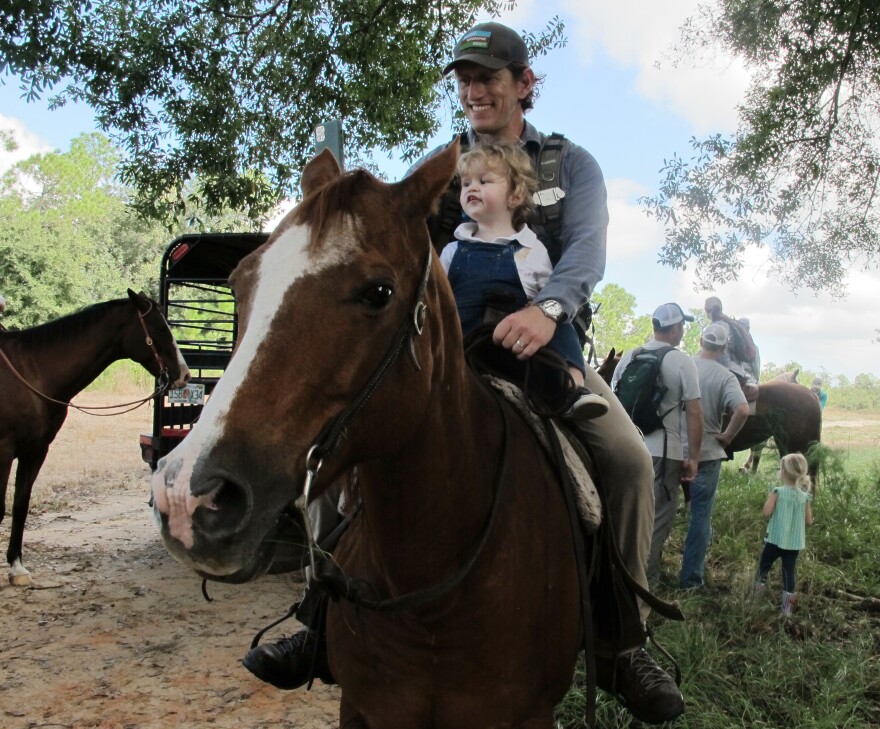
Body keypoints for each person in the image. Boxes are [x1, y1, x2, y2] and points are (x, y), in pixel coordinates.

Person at [245, 22, 685, 724]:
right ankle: (319, 615)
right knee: (335, 455)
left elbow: (586, 255)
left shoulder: (573, 166)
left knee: (629, 462)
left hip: (548, 350)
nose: (475, 90)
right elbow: (390, 245)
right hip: (446, 354)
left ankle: (623, 639)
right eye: (465, 80)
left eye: (489, 77)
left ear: (523, 84)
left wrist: (548, 309)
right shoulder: (440, 168)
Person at [440, 141, 608, 419]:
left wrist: (543, 311)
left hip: (517, 347)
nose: (471, 187)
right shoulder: (452, 250)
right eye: (466, 183)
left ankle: (574, 387)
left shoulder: (529, 250)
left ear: (516, 196)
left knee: (557, 318)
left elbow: (548, 292)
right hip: (460, 348)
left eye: (484, 181)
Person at [613, 303, 703, 589]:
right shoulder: (681, 361)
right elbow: (695, 413)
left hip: (625, 449)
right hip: (665, 454)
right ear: (674, 328)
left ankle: (615, 582)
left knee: (623, 520)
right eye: (682, 327)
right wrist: (694, 458)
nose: (682, 332)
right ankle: (642, 593)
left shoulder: (630, 356)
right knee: (654, 525)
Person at [678, 323, 749, 589]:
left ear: (700, 340)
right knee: (700, 516)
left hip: (672, 449)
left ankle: (648, 569)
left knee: (660, 510)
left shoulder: (681, 364)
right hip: (706, 452)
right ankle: (690, 580)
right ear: (722, 348)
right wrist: (727, 437)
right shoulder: (725, 375)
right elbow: (742, 409)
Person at [754, 453, 814, 616]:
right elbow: (809, 521)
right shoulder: (805, 497)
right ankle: (786, 610)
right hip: (793, 544)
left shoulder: (777, 491)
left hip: (774, 539)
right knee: (789, 572)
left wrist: (770, 503)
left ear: (784, 472)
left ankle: (755, 600)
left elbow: (766, 513)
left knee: (763, 568)